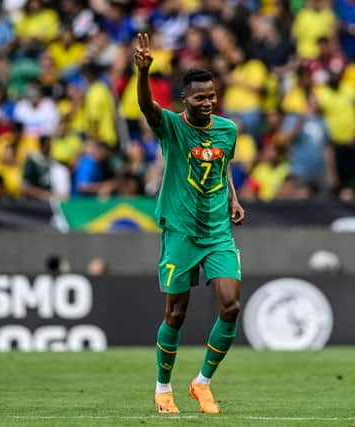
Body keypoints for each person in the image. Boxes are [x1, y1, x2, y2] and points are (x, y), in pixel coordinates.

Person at [134, 33, 245, 415]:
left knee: (230, 306)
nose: (207, 102)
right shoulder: (173, 127)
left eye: (212, 95)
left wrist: (233, 197)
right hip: (181, 230)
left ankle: (202, 383)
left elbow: (222, 164)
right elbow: (148, 109)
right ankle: (163, 388)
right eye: (199, 97)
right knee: (175, 314)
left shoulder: (227, 130)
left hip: (217, 231)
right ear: (186, 99)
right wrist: (143, 73)